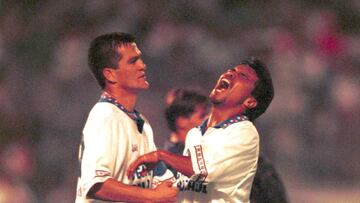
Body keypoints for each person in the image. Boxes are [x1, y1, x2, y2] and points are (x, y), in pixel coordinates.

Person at [127, 58, 275, 202]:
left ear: (250, 101)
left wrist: (161, 156)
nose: (230, 73)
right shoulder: (195, 133)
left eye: (242, 75)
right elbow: (189, 185)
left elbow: (204, 173)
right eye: (232, 70)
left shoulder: (244, 132)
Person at [75, 32, 178, 203]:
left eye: (140, 58)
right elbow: (96, 185)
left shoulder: (141, 122)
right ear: (110, 74)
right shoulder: (105, 116)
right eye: (133, 61)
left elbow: (161, 182)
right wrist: (152, 196)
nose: (142, 66)